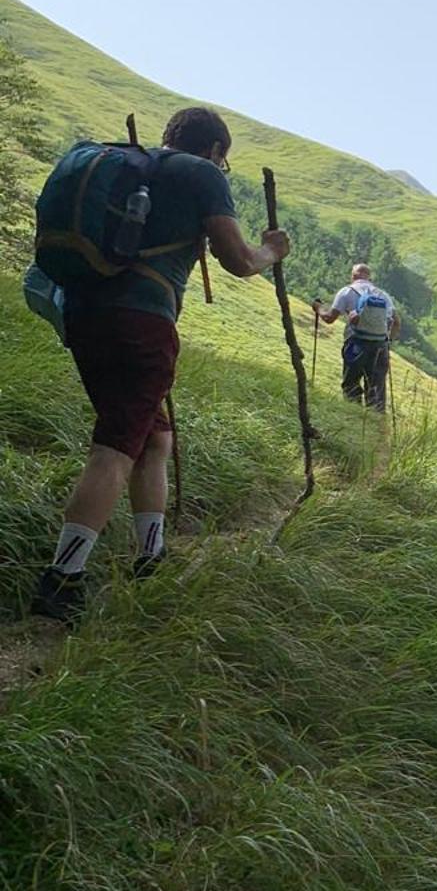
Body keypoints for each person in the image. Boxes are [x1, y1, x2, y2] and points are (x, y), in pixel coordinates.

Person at [30, 107, 292, 624]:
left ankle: (149, 557)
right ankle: (61, 581)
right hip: (143, 323)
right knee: (116, 446)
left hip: (83, 312)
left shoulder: (131, 164)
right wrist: (270, 250)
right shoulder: (202, 174)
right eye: (225, 160)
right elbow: (237, 259)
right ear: (216, 150)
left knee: (153, 438)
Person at [315, 264, 400, 412]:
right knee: (376, 391)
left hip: (356, 344)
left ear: (353, 276)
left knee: (351, 385)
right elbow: (397, 322)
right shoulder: (383, 295)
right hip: (380, 346)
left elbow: (329, 318)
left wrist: (318, 308)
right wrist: (388, 341)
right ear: (370, 278)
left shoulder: (347, 292)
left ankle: (352, 418)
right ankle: (376, 428)